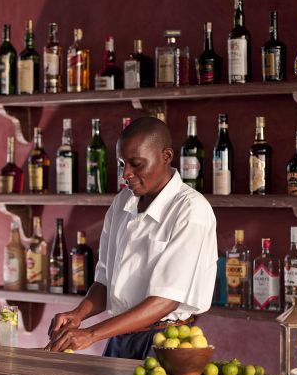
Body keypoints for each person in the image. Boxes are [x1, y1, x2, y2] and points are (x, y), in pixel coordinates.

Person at [45, 116, 217, 359]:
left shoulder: (191, 209)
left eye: (136, 164)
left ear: (166, 156)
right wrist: (78, 314)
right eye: (122, 163)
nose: (126, 173)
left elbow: (166, 300)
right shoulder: (122, 203)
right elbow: (105, 280)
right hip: (119, 336)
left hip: (166, 341)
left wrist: (91, 334)